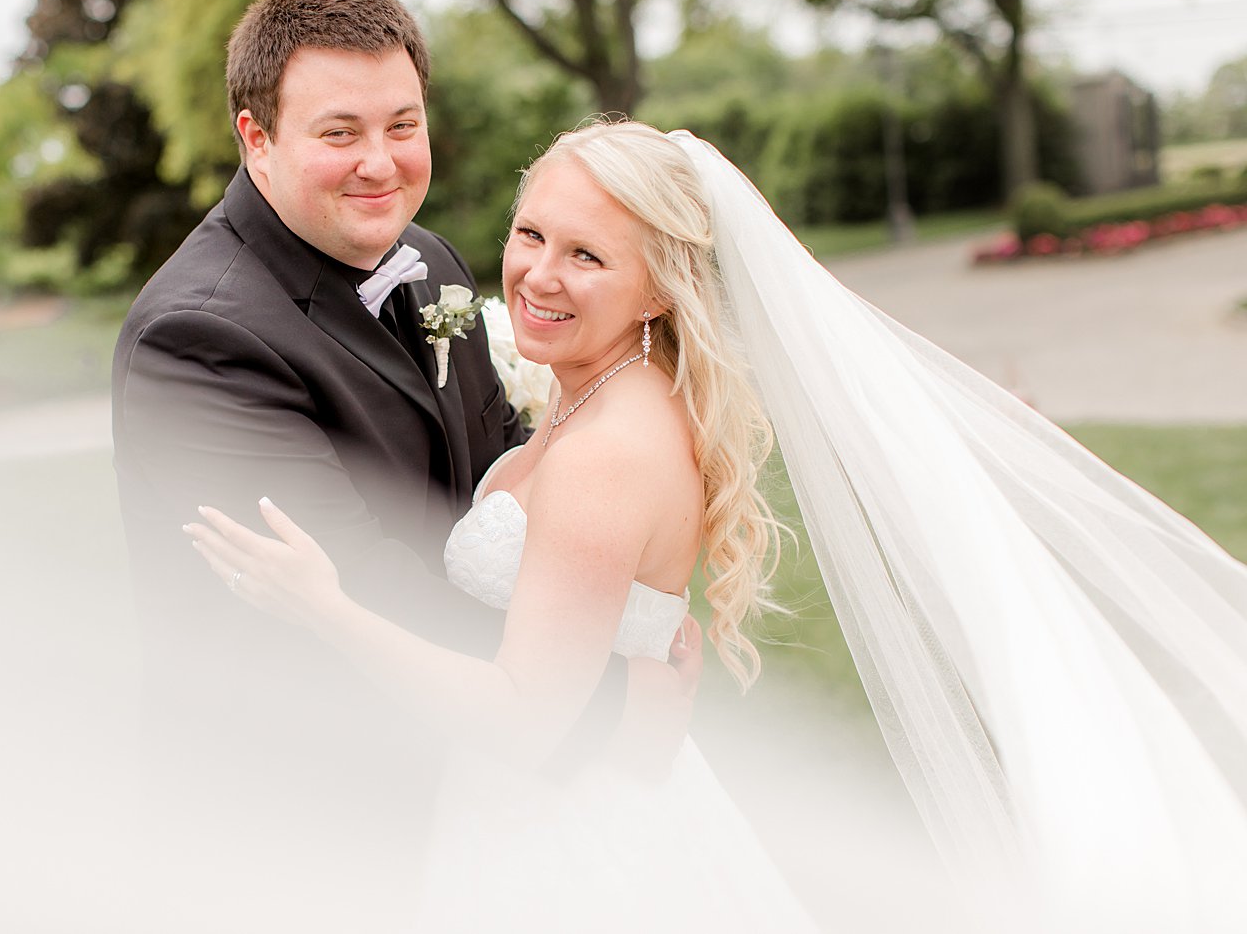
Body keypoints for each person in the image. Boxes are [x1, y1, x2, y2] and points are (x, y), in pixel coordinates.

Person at [190, 118, 1247, 931]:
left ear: (660, 283)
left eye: (588, 256)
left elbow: (524, 713)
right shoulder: (603, 396)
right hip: (579, 796)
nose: (537, 276)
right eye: (528, 233)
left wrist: (327, 608)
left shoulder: (611, 448)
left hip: (566, 838)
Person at [110, 0, 696, 928]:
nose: (380, 164)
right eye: (339, 132)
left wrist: (616, 555)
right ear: (256, 138)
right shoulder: (199, 339)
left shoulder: (428, 262)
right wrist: (604, 702)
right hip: (304, 830)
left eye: (403, 125)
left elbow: (506, 458)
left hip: (463, 798)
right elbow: (358, 581)